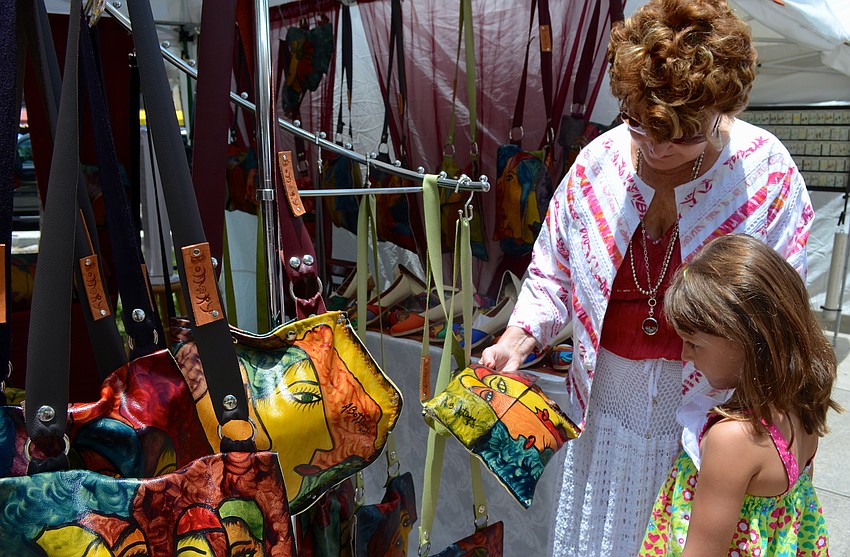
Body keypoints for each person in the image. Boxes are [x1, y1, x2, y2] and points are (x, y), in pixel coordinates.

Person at [479, 0, 814, 554]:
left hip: (710, 411)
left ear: (721, 110)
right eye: (639, 124)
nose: (657, 148)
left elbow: (782, 317)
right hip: (605, 403)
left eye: (682, 135)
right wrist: (520, 338)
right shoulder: (598, 164)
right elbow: (553, 271)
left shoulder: (765, 175)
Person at [641, 234, 840, 556]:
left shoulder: (733, 438)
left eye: (694, 343)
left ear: (747, 339)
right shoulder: (801, 406)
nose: (684, 355)